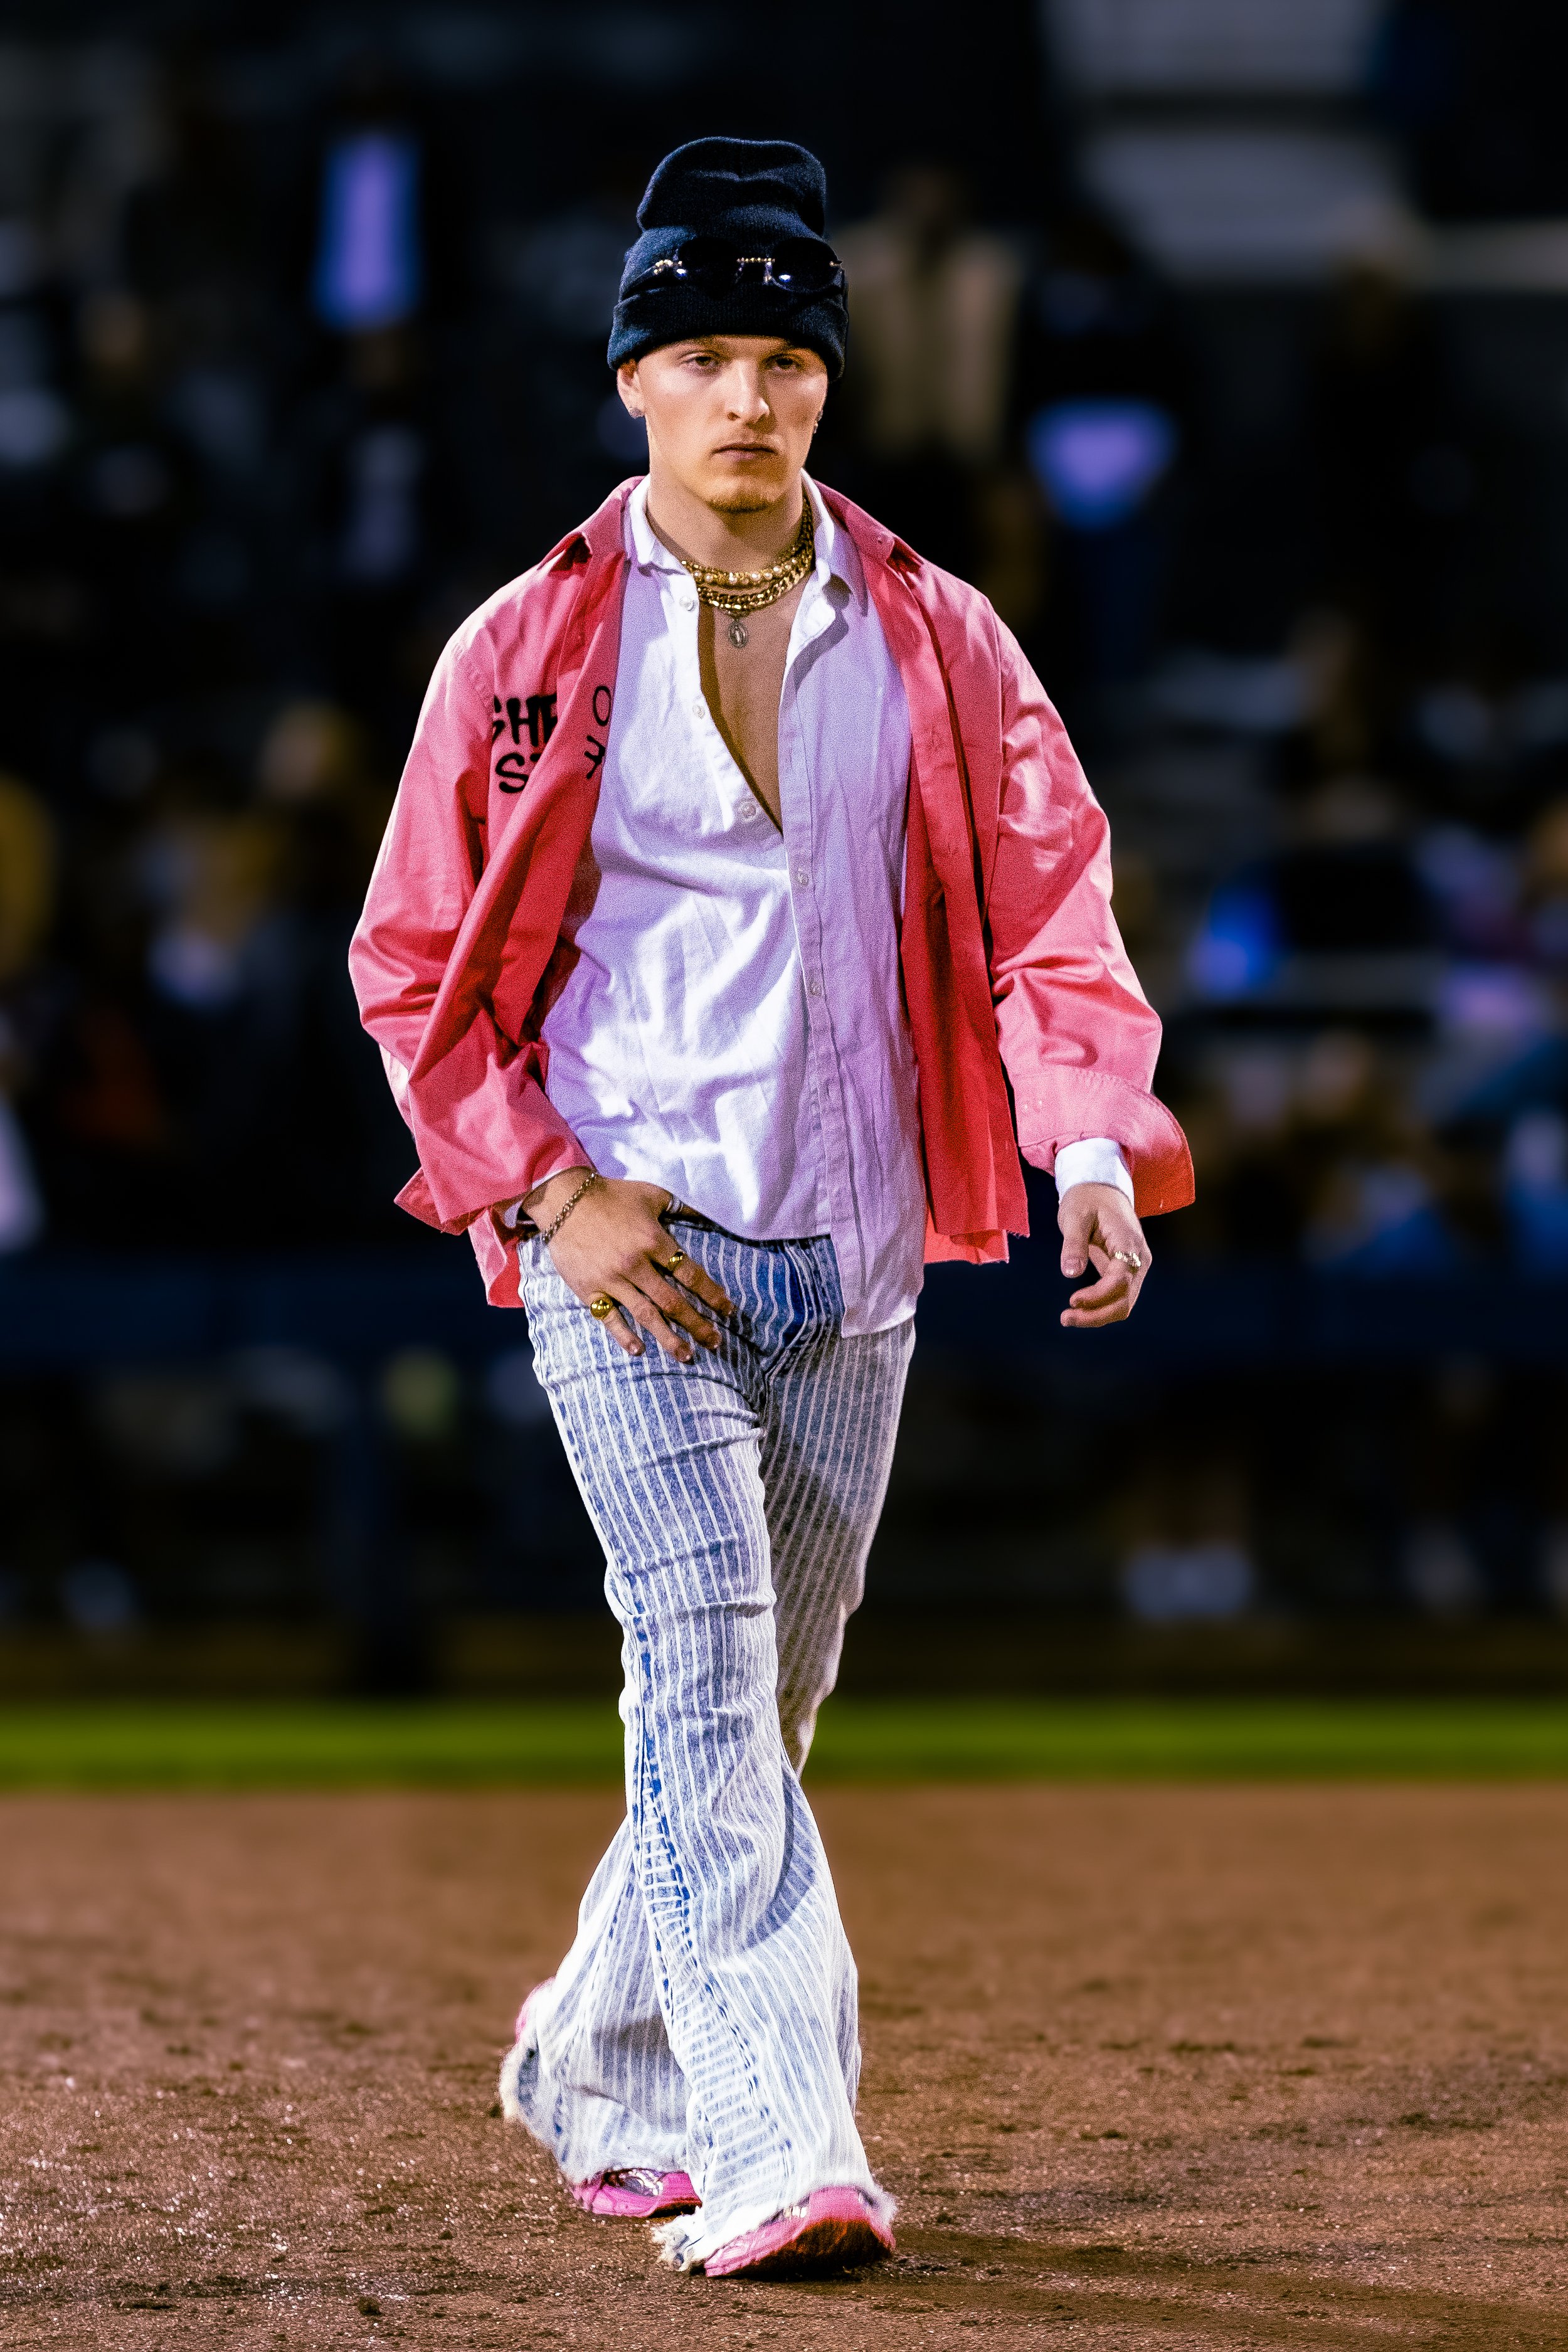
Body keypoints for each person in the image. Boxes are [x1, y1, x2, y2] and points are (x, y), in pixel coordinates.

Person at [349, 137, 1192, 2282]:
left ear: (829, 382)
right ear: (633, 380)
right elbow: (410, 963)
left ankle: (584, 2059)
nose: (749, 397)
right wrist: (547, 1196)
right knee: (709, 1683)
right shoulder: (522, 651)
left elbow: (1052, 906)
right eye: (704, 356)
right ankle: (777, 2144)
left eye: (782, 359)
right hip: (629, 1249)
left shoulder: (933, 635)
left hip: (863, 1252)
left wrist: (1086, 1142)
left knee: (765, 1705)